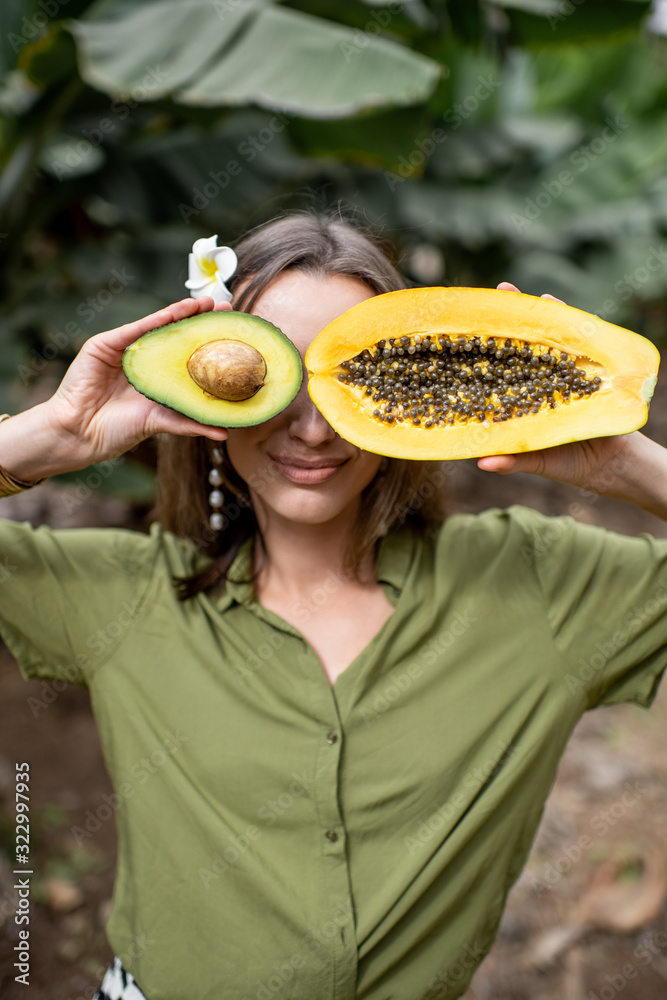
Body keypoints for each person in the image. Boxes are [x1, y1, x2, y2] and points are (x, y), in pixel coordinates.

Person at [2, 211, 666, 1000]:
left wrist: (624, 460)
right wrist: (52, 435)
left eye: (347, 382)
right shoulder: (116, 595)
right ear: (210, 395)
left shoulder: (541, 583)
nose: (311, 430)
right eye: (274, 377)